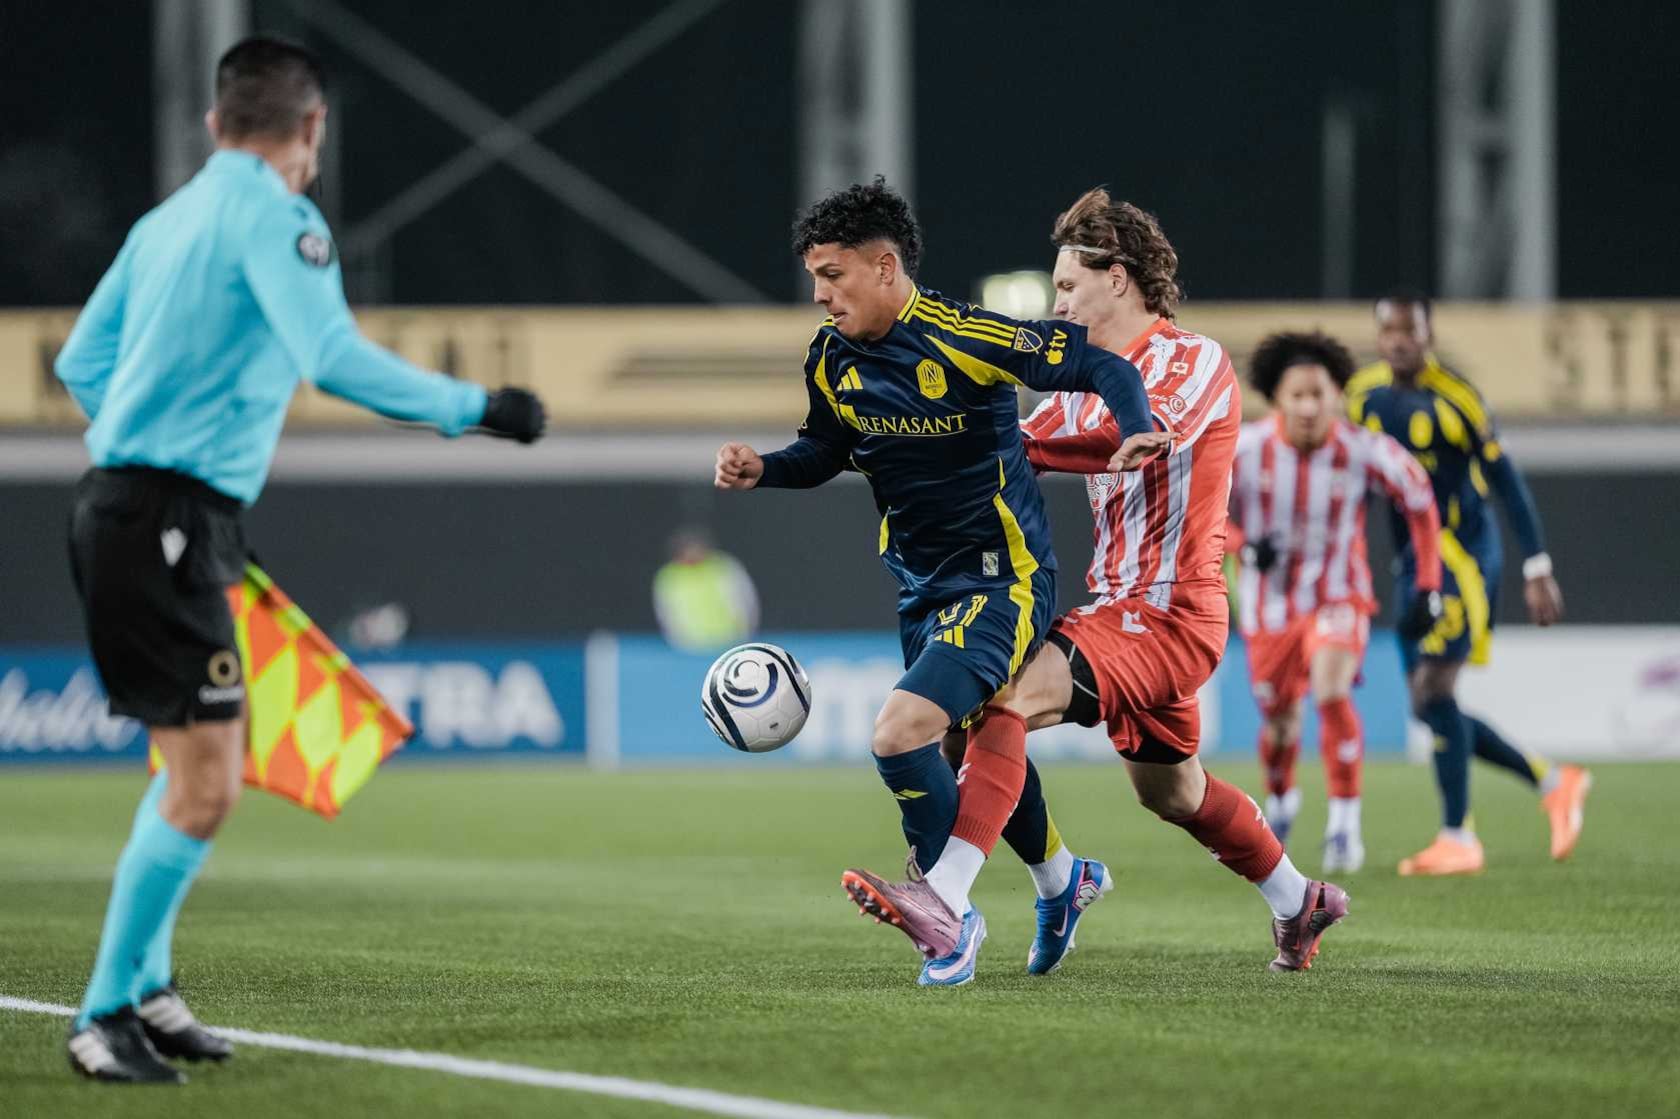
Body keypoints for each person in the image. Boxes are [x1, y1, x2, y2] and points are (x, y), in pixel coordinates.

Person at [55, 37, 545, 1083]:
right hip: (166, 514)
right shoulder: (280, 219)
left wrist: (155, 452)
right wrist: (481, 409)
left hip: (139, 509)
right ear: (311, 129)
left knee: (190, 768)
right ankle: (103, 1014)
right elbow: (330, 357)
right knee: (209, 782)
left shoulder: (166, 220)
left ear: (213, 124)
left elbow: (80, 362)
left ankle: (147, 990)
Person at [840, 189, 1347, 982]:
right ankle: (1297, 898)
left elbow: (1133, 434)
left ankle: (946, 894)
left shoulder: (1193, 360)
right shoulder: (1073, 383)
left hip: (1173, 612)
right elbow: (1003, 450)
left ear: (1120, 277)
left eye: (1068, 285)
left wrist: (1010, 441)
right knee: (1174, 793)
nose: (1056, 303)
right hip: (1117, 611)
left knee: (1004, 694)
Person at [714, 178, 1169, 986]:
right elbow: (825, 451)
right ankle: (1064, 882)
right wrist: (765, 471)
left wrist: (1137, 427)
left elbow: (1097, 364)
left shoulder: (967, 336)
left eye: (833, 274)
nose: (820, 294)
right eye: (815, 276)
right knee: (970, 744)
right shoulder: (829, 358)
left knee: (900, 732)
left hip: (1005, 579)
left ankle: (945, 917)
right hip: (921, 587)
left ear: (885, 267)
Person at [1347, 292, 1588, 875]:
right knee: (1431, 706)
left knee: (1433, 691)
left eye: (1412, 331)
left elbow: (1508, 483)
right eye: (1391, 332)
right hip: (1413, 566)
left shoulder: (1458, 400)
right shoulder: (1363, 399)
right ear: (1380, 338)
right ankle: (1554, 781)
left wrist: (1537, 567)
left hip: (1463, 561)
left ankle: (1459, 836)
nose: (1401, 341)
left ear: (1429, 335)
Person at [1227, 331, 1445, 874]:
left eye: (1317, 394)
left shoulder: (1361, 450)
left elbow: (1420, 500)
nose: (1307, 407)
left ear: (1337, 396)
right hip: (1268, 607)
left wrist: (1429, 583)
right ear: (1276, 398)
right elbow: (1199, 511)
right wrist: (1242, 545)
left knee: (1329, 691)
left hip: (1338, 593)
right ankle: (1281, 801)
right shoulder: (1244, 450)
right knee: (1279, 724)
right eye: (1295, 395)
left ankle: (1344, 827)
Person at [652, 528, 759, 652]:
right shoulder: (669, 575)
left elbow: (747, 600)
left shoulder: (724, 566)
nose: (693, 553)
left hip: (730, 643)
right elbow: (665, 611)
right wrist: (677, 640)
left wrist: (746, 632)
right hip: (689, 647)